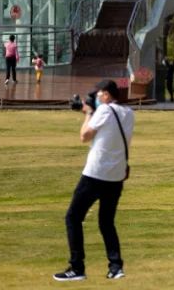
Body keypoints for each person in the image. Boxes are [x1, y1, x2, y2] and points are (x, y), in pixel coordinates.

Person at [54, 80, 134, 282]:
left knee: (73, 217)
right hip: (116, 175)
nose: (97, 98)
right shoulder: (129, 113)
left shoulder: (104, 111)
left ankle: (77, 267)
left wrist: (89, 113)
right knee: (106, 221)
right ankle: (116, 267)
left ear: (106, 95)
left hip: (96, 173)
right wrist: (88, 111)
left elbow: (85, 136)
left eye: (99, 94)